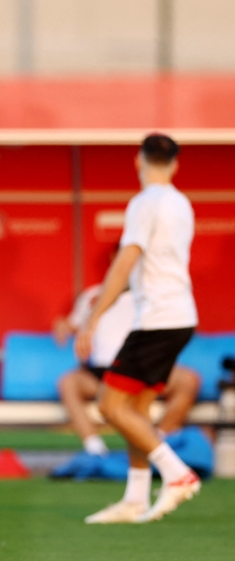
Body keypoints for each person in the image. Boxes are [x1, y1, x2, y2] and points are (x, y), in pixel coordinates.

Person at [77, 133, 201, 524]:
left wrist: (93, 318)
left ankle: (178, 474)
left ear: (138, 161)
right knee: (136, 409)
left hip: (157, 320)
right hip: (180, 317)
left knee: (108, 405)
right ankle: (134, 498)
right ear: (176, 164)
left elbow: (124, 265)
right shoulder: (182, 203)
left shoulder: (143, 203)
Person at [54, 279, 200, 456]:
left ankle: (157, 445)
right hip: (103, 371)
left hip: (143, 367)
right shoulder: (93, 295)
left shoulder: (154, 293)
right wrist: (66, 325)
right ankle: (95, 450)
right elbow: (72, 325)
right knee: (71, 384)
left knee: (187, 380)